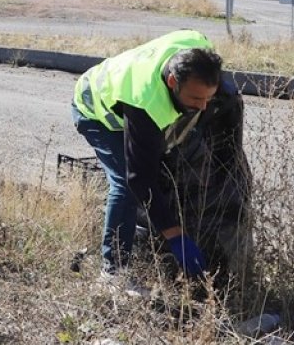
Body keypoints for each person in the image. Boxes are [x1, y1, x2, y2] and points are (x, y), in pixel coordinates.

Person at [71, 30, 226, 280]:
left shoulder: (198, 45)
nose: (202, 106)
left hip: (130, 89)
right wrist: (176, 237)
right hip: (95, 111)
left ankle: (142, 229)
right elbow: (139, 178)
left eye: (207, 97)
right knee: (125, 184)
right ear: (173, 82)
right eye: (196, 98)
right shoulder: (145, 102)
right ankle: (113, 273)